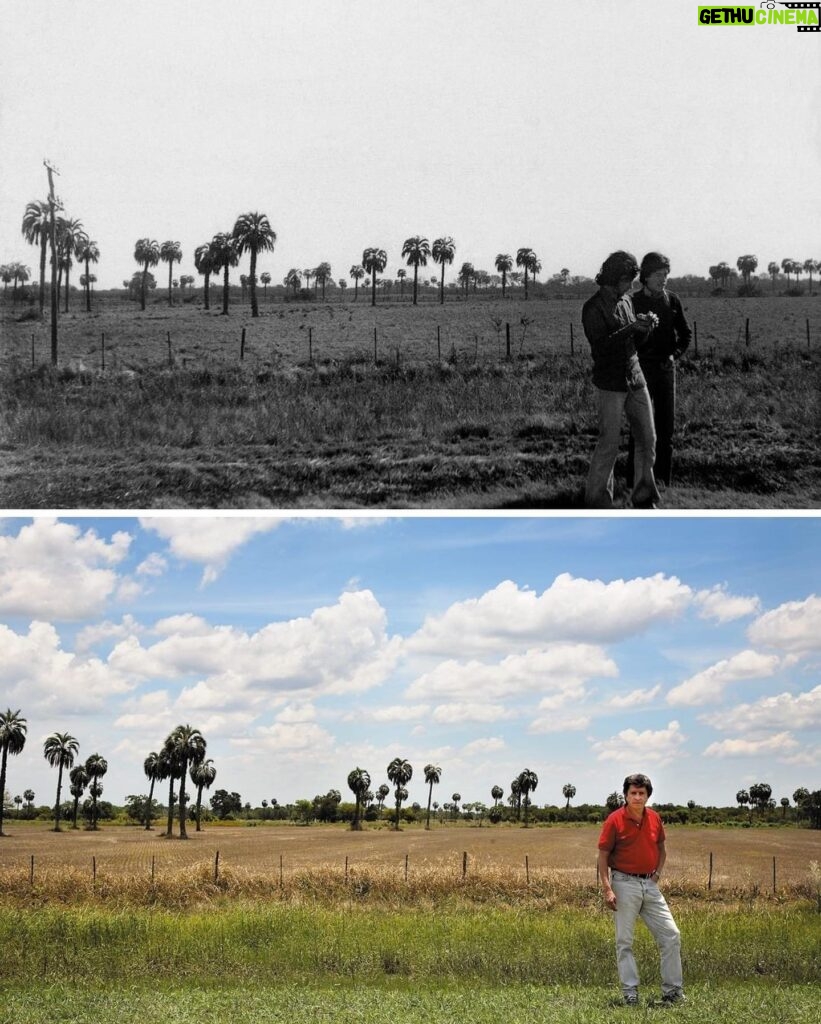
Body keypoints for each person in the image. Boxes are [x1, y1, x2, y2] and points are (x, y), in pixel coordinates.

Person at [581, 251, 661, 509]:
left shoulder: (627, 301)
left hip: (636, 378)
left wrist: (645, 329)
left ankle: (644, 498)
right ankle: (597, 504)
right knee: (609, 445)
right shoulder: (592, 307)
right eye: (628, 280)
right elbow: (601, 347)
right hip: (611, 382)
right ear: (616, 277)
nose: (631, 286)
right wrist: (631, 328)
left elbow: (633, 343)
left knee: (648, 439)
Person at [597, 773, 685, 1007]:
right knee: (624, 941)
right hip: (623, 883)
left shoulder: (655, 818)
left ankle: (673, 992)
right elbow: (603, 856)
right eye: (633, 793)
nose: (637, 797)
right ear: (626, 795)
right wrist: (608, 889)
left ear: (647, 796)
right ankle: (630, 993)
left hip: (650, 884)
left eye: (641, 793)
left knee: (671, 935)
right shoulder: (614, 820)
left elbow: (661, 850)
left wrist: (656, 875)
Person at [627, 253, 692, 489]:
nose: (663, 279)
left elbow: (685, 335)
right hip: (640, 371)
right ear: (645, 276)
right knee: (640, 429)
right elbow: (627, 338)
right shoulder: (632, 302)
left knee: (666, 429)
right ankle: (634, 480)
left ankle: (663, 481)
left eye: (666, 275)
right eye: (657, 274)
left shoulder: (672, 301)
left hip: (666, 370)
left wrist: (674, 356)